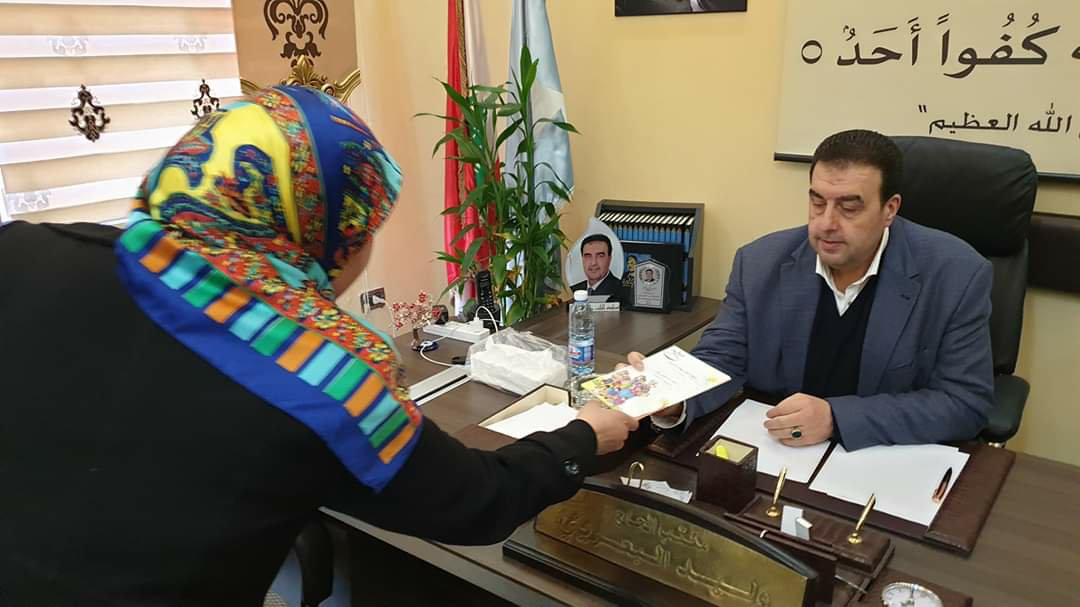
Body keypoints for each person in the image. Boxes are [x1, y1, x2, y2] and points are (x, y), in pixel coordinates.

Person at [0, 86, 639, 606]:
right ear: (327, 228)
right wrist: (585, 436)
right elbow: (476, 502)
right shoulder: (323, 378)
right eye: (366, 227)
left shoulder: (22, 254)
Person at [626, 129, 993, 450]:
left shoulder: (956, 274)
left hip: (882, 461)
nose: (826, 223)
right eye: (818, 202)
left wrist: (837, 418)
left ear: (889, 209)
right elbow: (722, 357)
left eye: (849, 207)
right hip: (779, 451)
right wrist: (674, 398)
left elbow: (964, 403)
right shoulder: (759, 263)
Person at [570, 233, 628, 304]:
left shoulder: (622, 291)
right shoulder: (574, 291)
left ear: (609, 258)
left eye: (600, 256)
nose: (593, 263)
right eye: (588, 256)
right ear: (582, 259)